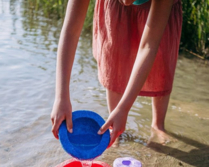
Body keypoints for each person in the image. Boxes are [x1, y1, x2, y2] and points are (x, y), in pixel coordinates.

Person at [51, 0, 182, 147]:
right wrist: (61, 97)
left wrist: (124, 108)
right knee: (114, 58)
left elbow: (149, 46)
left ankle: (158, 124)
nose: (126, 2)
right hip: (114, 9)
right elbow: (71, 31)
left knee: (161, 62)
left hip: (159, 9)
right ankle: (114, 125)